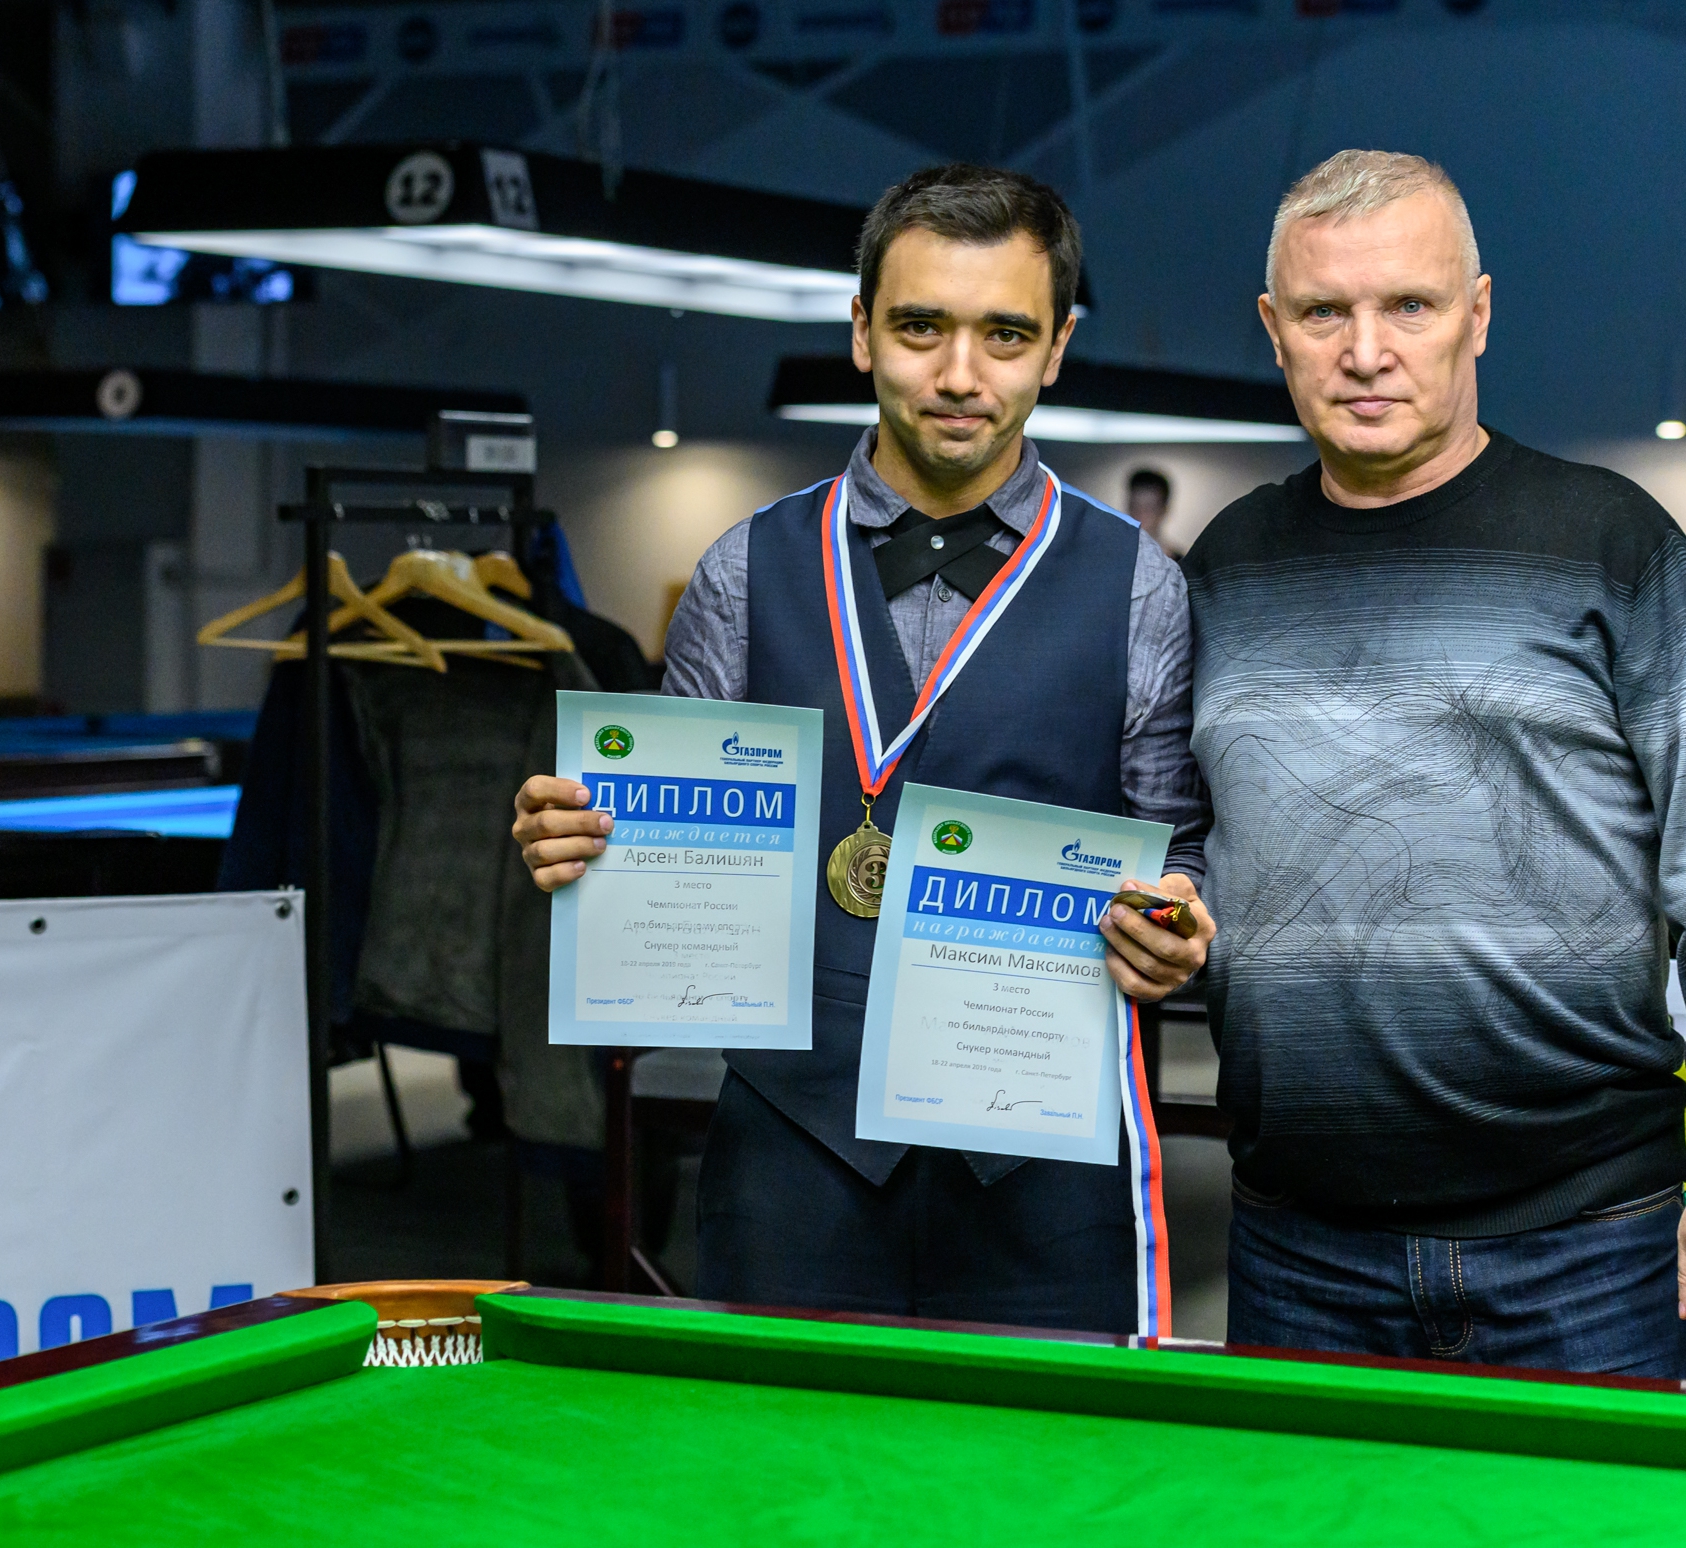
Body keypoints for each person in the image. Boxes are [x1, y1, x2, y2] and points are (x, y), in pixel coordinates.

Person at [511, 165, 1216, 1333]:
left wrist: (1177, 921)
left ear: (1056, 349)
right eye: (921, 327)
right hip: (792, 1155)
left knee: (1044, 1458)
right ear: (860, 332)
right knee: (780, 1454)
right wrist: (580, 845)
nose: (960, 373)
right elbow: (657, 853)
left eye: (1005, 334)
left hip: (1044, 1157)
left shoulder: (1140, 584)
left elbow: (1175, 850)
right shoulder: (744, 568)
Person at [1186, 150, 1686, 1378]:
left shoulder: (1611, 541)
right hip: (1295, 1248)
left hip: (1590, 1249)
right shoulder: (1228, 564)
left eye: (1409, 305)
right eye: (1325, 312)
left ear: (1477, 314)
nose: (1367, 351)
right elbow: (1186, 839)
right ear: (1274, 330)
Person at [1124, 467, 1177, 555]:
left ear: (1163, 510)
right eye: (1134, 505)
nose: (1140, 513)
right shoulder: (1110, 555)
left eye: (1149, 508)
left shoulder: (1181, 562)